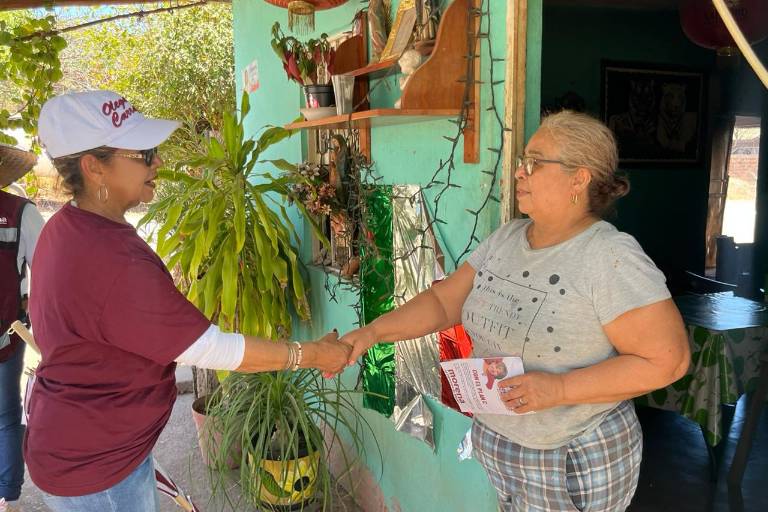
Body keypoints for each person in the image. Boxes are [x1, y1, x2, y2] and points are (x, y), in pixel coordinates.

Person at [339, 111, 690, 511]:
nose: (520, 173)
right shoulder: (507, 238)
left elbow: (668, 362)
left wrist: (559, 389)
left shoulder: (609, 256)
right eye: (523, 161)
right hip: (500, 441)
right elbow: (442, 301)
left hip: (570, 456)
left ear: (580, 178)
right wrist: (371, 334)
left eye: (535, 163)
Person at [25, 90, 350, 512]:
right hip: (96, 467)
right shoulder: (106, 258)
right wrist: (312, 354)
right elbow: (209, 348)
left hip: (94, 447)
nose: (157, 162)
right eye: (144, 152)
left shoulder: (68, 229)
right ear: (94, 168)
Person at [0, 144, 45, 511]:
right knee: (4, 418)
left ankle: (7, 497)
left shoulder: (20, 213)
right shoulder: (19, 213)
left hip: (6, 340)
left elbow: (49, 272)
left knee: (5, 417)